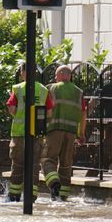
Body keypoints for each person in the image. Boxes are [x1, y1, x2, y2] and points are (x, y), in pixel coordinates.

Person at [6, 63, 54, 202]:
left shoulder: (18, 89)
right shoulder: (43, 90)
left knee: (18, 166)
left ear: (22, 73)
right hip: (37, 134)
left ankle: (14, 196)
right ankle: (31, 197)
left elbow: (12, 109)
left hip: (19, 134)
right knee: (33, 166)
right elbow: (49, 112)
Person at [41, 65, 87, 201]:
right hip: (71, 132)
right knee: (66, 163)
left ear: (61, 74)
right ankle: (63, 196)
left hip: (54, 129)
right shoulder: (79, 92)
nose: (55, 78)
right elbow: (83, 114)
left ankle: (54, 184)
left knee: (48, 159)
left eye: (56, 75)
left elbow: (44, 109)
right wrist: (81, 133)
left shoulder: (51, 88)